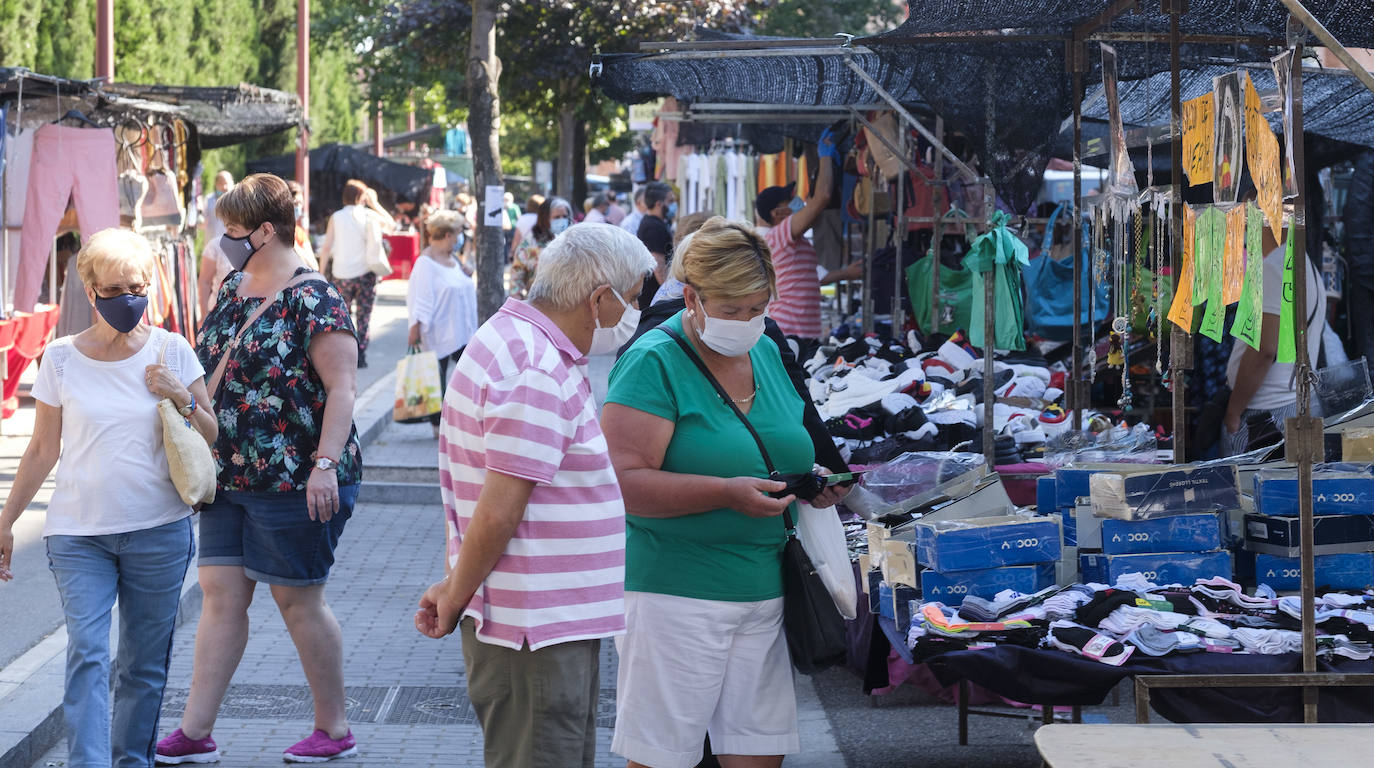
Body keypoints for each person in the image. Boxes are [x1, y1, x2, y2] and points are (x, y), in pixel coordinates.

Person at [601, 217, 848, 768]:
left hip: (765, 589)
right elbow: (624, 482)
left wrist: (812, 484)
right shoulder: (652, 361)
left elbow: (788, 441)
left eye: (758, 308)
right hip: (675, 593)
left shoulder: (765, 351)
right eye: (732, 309)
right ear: (691, 297)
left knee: (758, 754)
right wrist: (724, 493)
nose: (747, 321)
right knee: (663, 756)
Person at [415, 223, 653, 768]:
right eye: (634, 300)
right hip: (534, 627)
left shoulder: (521, 342)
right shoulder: (536, 368)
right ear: (599, 299)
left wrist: (457, 587)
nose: (635, 314)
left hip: (540, 619)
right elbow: (499, 510)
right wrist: (453, 597)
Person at [156, 174, 364, 764]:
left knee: (298, 598)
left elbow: (342, 390)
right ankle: (195, 732)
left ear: (266, 231)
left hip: (297, 479)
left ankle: (335, 727)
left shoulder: (316, 297)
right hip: (229, 474)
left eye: (233, 230)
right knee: (220, 593)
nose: (224, 238)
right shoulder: (232, 284)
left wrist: (324, 464)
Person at [0, 228, 216, 768]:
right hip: (77, 534)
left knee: (142, 664)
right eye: (115, 288)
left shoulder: (173, 350)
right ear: (90, 290)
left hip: (158, 530)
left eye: (137, 287)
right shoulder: (60, 359)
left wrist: (178, 395)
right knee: (89, 656)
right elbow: (42, 449)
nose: (129, 299)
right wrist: (5, 521)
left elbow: (212, 434)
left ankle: (130, 761)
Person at [1222, 215, 1328, 456]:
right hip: (1291, 403)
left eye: (1247, 222)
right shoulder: (1302, 262)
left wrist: (1234, 411)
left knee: (1252, 490)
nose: (1247, 233)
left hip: (1265, 415)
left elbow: (1264, 350)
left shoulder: (1274, 267)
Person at [756, 126, 837, 339]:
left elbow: (815, 202)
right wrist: (825, 158)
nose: (797, 202)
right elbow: (821, 198)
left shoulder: (793, 237)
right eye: (790, 200)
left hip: (802, 331)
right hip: (789, 330)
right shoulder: (779, 234)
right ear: (778, 213)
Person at [407, 210, 479, 438]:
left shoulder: (452, 258)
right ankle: (439, 428)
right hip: (437, 330)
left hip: (461, 330)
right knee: (436, 380)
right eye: (458, 233)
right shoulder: (425, 263)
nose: (460, 238)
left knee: (473, 373)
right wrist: (415, 328)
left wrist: (467, 271)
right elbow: (420, 297)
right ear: (447, 234)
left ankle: (463, 420)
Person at [317, 179, 395, 368]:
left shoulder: (336, 217)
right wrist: (375, 204)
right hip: (365, 274)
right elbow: (391, 225)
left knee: (343, 314)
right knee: (364, 315)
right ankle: (360, 352)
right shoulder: (370, 215)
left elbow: (326, 247)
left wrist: (320, 273)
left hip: (341, 273)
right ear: (362, 197)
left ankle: (345, 351)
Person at [510, 196, 572, 299]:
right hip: (537, 303)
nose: (562, 221)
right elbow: (517, 274)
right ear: (545, 218)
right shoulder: (530, 244)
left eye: (564, 216)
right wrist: (517, 296)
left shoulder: (574, 242)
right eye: (557, 217)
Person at [635, 181, 675, 309]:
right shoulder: (653, 227)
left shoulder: (652, 223)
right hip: (653, 296)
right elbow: (658, 262)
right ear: (659, 204)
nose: (673, 205)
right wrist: (669, 294)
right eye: (670, 201)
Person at [286, 180, 320, 271]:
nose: (298, 208)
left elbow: (314, 266)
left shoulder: (299, 232)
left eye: (300, 204)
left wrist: (293, 244)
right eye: (295, 204)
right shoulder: (270, 231)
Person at [509, 194, 545, 259]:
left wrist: (512, 252)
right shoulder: (544, 219)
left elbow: (516, 239)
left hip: (524, 254)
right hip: (541, 253)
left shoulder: (522, 219)